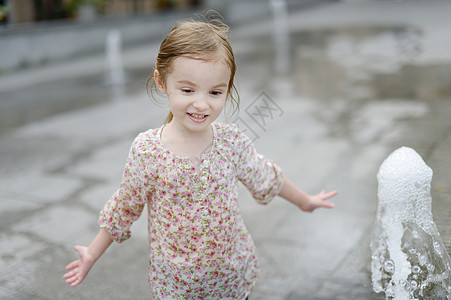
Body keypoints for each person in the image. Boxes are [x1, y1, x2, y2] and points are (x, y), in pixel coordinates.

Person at [63, 16, 337, 299]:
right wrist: (92, 253)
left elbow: (265, 176)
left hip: (231, 277)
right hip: (177, 284)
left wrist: (305, 201)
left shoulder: (230, 141)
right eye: (187, 90)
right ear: (161, 81)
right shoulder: (148, 151)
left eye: (215, 92)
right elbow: (125, 205)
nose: (202, 104)